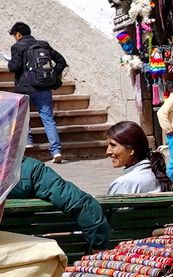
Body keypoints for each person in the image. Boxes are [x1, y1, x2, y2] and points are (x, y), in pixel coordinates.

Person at [8, 156, 111, 250]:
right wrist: (99, 246)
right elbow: (81, 204)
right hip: (22, 254)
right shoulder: (30, 169)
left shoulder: (29, 169)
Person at [6, 22, 66, 164]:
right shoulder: (43, 45)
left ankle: (28, 141)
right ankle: (56, 151)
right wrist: (53, 76)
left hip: (24, 88)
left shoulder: (17, 46)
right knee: (48, 119)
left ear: (18, 34)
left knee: (23, 117)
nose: (15, 38)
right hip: (44, 88)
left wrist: (8, 62)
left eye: (14, 35)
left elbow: (15, 67)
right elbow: (61, 61)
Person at [104, 121, 173, 195]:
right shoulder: (158, 176)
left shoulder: (122, 185)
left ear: (131, 150)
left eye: (113, 145)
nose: (108, 152)